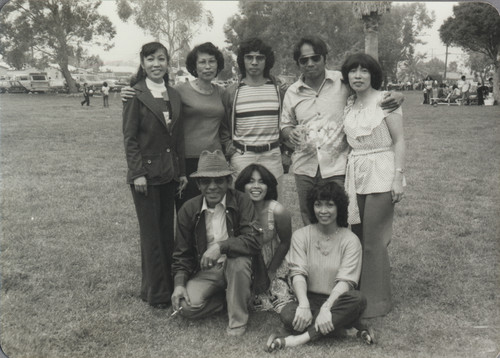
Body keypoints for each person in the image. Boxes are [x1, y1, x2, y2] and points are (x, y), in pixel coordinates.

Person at [280, 36, 403, 225]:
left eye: (315, 58)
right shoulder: (292, 92)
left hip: (337, 167)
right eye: (304, 60)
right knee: (310, 218)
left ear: (324, 58)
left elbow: (369, 93)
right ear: (298, 63)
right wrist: (290, 133)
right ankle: (317, 254)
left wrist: (397, 95)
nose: (310, 63)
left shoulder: (343, 81)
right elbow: (285, 124)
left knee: (340, 219)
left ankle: (341, 254)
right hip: (304, 167)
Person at [266, 182, 373, 352]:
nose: (323, 210)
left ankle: (297, 338)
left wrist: (327, 308)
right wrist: (303, 305)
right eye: (318, 204)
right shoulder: (301, 235)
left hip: (338, 299)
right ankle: (345, 329)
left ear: (339, 207)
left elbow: (347, 281)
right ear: (312, 207)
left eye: (330, 205)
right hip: (307, 297)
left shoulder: (351, 240)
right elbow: (297, 273)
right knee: (288, 315)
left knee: (358, 300)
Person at [171, 150, 267, 337]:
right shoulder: (189, 209)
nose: (212, 187)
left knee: (238, 263)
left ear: (228, 182)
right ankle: (228, 300)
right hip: (208, 271)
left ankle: (237, 322)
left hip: (237, 266)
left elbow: (254, 241)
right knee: (185, 308)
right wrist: (179, 283)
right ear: (198, 184)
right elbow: (181, 253)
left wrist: (221, 247)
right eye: (206, 181)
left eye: (219, 181)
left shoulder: (242, 201)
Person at [122, 42, 226, 210]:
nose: (207, 67)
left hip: (215, 160)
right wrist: (130, 92)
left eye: (212, 62)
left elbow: (225, 127)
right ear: (194, 66)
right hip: (187, 160)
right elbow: (153, 95)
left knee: (214, 209)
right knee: (188, 211)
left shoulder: (222, 92)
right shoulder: (179, 91)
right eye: (202, 62)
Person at [122, 41, 188, 308]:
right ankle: (156, 293)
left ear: (167, 63)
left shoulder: (173, 94)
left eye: (161, 59)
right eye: (150, 59)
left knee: (166, 232)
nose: (156, 64)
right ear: (142, 62)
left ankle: (170, 286)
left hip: (170, 174)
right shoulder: (134, 94)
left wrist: (181, 172)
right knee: (151, 235)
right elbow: (130, 139)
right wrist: (138, 173)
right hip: (145, 177)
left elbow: (178, 138)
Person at [341, 53, 406, 318]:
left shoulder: (386, 101)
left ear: (372, 74)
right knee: (357, 236)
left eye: (364, 71)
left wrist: (398, 177)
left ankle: (377, 302)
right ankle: (358, 296)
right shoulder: (349, 104)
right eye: (353, 71)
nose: (358, 75)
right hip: (355, 172)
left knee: (374, 239)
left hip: (381, 169)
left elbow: (400, 140)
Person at [220, 38, 286, 188]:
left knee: (273, 206)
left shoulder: (278, 90)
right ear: (242, 61)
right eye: (249, 57)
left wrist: (286, 151)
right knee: (242, 206)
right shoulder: (232, 92)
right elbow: (223, 124)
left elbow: (288, 121)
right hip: (242, 156)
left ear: (266, 61)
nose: (254, 62)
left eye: (259, 58)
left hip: (272, 156)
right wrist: (228, 146)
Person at [234, 164, 293, 313]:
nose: (256, 186)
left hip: (272, 263)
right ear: (242, 186)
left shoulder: (278, 211)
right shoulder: (236, 209)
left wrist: (271, 272)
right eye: (251, 181)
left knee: (280, 301)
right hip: (246, 264)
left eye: (261, 182)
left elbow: (285, 243)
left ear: (268, 186)